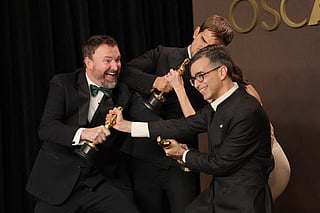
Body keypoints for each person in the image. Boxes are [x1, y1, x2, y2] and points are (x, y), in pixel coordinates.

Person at [109, 45, 274, 212]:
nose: (197, 84)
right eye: (194, 79)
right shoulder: (218, 105)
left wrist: (183, 154)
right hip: (218, 194)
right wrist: (127, 126)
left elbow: (220, 164)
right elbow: (181, 125)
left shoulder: (246, 111)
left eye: (201, 76)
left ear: (222, 72)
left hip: (244, 201)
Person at [118, 14, 234, 213]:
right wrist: (155, 82)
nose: (202, 48)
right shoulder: (163, 54)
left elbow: (204, 120)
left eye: (210, 47)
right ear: (196, 32)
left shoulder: (216, 76)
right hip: (145, 156)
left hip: (180, 158)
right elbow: (126, 72)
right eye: (203, 40)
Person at [25, 35, 141, 213]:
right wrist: (84, 133)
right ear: (89, 62)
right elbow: (47, 129)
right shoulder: (63, 84)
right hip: (58, 182)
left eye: (118, 60)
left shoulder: (122, 92)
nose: (115, 66)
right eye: (107, 61)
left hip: (97, 180)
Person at [165, 54, 291, 202]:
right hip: (240, 168)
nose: (199, 81)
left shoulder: (245, 96)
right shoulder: (220, 98)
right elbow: (195, 123)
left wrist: (179, 88)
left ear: (221, 71)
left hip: (268, 166)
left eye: (202, 74)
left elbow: (195, 123)